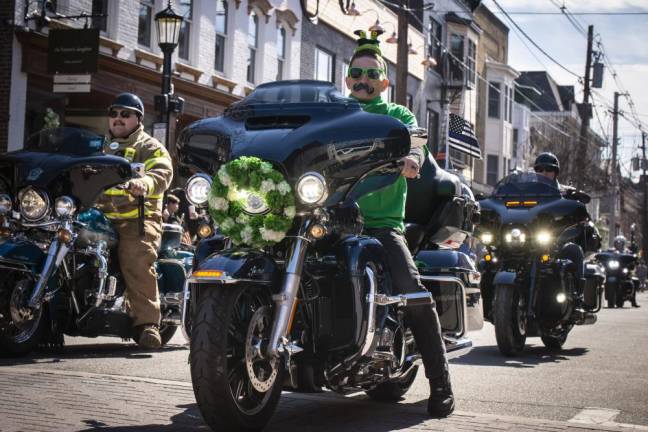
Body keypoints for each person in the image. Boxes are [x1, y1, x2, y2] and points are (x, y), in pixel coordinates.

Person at [344, 29, 454, 418]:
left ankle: (441, 383)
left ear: (385, 82)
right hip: (337, 220)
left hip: (381, 224)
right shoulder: (338, 113)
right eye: (356, 73)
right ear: (347, 79)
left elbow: (416, 147)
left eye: (372, 75)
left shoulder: (398, 116)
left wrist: (410, 158)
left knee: (411, 289)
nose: (363, 81)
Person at [98, 93, 173, 349]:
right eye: (114, 113)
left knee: (134, 257)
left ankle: (148, 325)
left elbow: (162, 173)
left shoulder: (150, 146)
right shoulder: (98, 146)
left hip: (137, 220)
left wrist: (145, 182)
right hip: (99, 217)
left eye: (125, 114)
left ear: (138, 119)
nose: (118, 119)